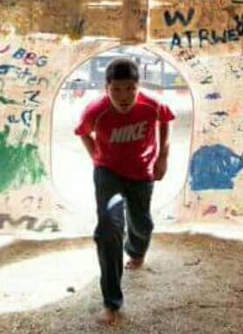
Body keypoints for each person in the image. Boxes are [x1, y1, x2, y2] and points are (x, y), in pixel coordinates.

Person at [75, 57, 175, 326]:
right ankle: (111, 303)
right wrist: (95, 154)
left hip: (141, 172)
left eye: (130, 88)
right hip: (108, 173)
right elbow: (83, 132)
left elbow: (166, 119)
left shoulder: (151, 104)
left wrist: (163, 156)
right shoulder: (96, 110)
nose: (124, 96)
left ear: (138, 86)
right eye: (117, 89)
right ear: (106, 87)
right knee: (109, 230)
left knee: (142, 222)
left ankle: (136, 249)